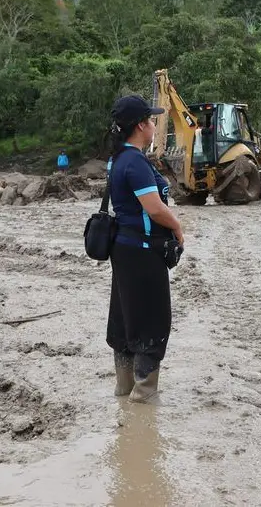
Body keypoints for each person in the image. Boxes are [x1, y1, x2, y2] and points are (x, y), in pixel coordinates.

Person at [105, 94, 186, 404]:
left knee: (126, 317)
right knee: (151, 321)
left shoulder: (116, 159)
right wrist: (177, 227)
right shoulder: (135, 162)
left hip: (123, 250)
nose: (154, 124)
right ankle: (144, 398)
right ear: (140, 126)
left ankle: (124, 391)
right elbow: (154, 208)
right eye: (152, 120)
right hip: (142, 251)